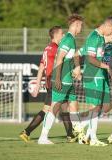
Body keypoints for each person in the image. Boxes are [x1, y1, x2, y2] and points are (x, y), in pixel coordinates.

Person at [19, 26, 74, 143]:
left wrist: (38, 84)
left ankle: (71, 134)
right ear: (55, 35)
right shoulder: (56, 48)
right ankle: (27, 131)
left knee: (64, 107)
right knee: (47, 109)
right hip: (55, 81)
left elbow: (41, 67)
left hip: (50, 81)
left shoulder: (47, 48)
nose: (63, 36)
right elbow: (59, 64)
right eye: (61, 34)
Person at [37, 14, 83, 144]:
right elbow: (59, 58)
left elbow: (73, 55)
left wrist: (77, 68)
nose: (82, 28)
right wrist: (57, 77)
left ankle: (80, 136)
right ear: (76, 25)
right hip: (62, 80)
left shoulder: (71, 39)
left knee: (74, 106)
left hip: (68, 80)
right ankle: (43, 137)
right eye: (81, 26)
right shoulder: (68, 39)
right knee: (54, 108)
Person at [81, 16, 112, 146]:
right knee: (95, 107)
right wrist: (106, 66)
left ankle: (84, 133)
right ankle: (92, 138)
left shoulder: (101, 39)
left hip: (100, 75)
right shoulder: (93, 37)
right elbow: (91, 59)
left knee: (105, 105)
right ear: (107, 26)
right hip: (94, 76)